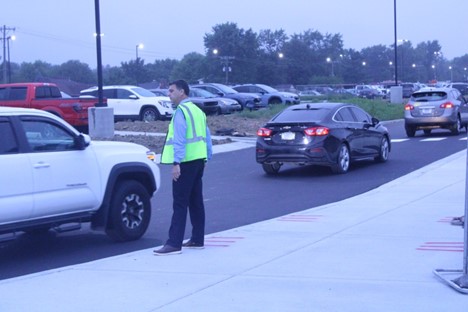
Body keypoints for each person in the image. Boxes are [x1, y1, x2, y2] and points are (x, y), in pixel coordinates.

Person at [154, 80, 212, 256]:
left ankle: (173, 244)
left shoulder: (181, 112)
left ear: (182, 92)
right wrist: (206, 157)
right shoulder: (197, 111)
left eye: (171, 91)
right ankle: (197, 239)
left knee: (180, 203)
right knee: (196, 201)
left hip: (185, 162)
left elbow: (179, 140)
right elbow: (207, 137)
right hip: (198, 161)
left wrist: (176, 163)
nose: (168, 94)